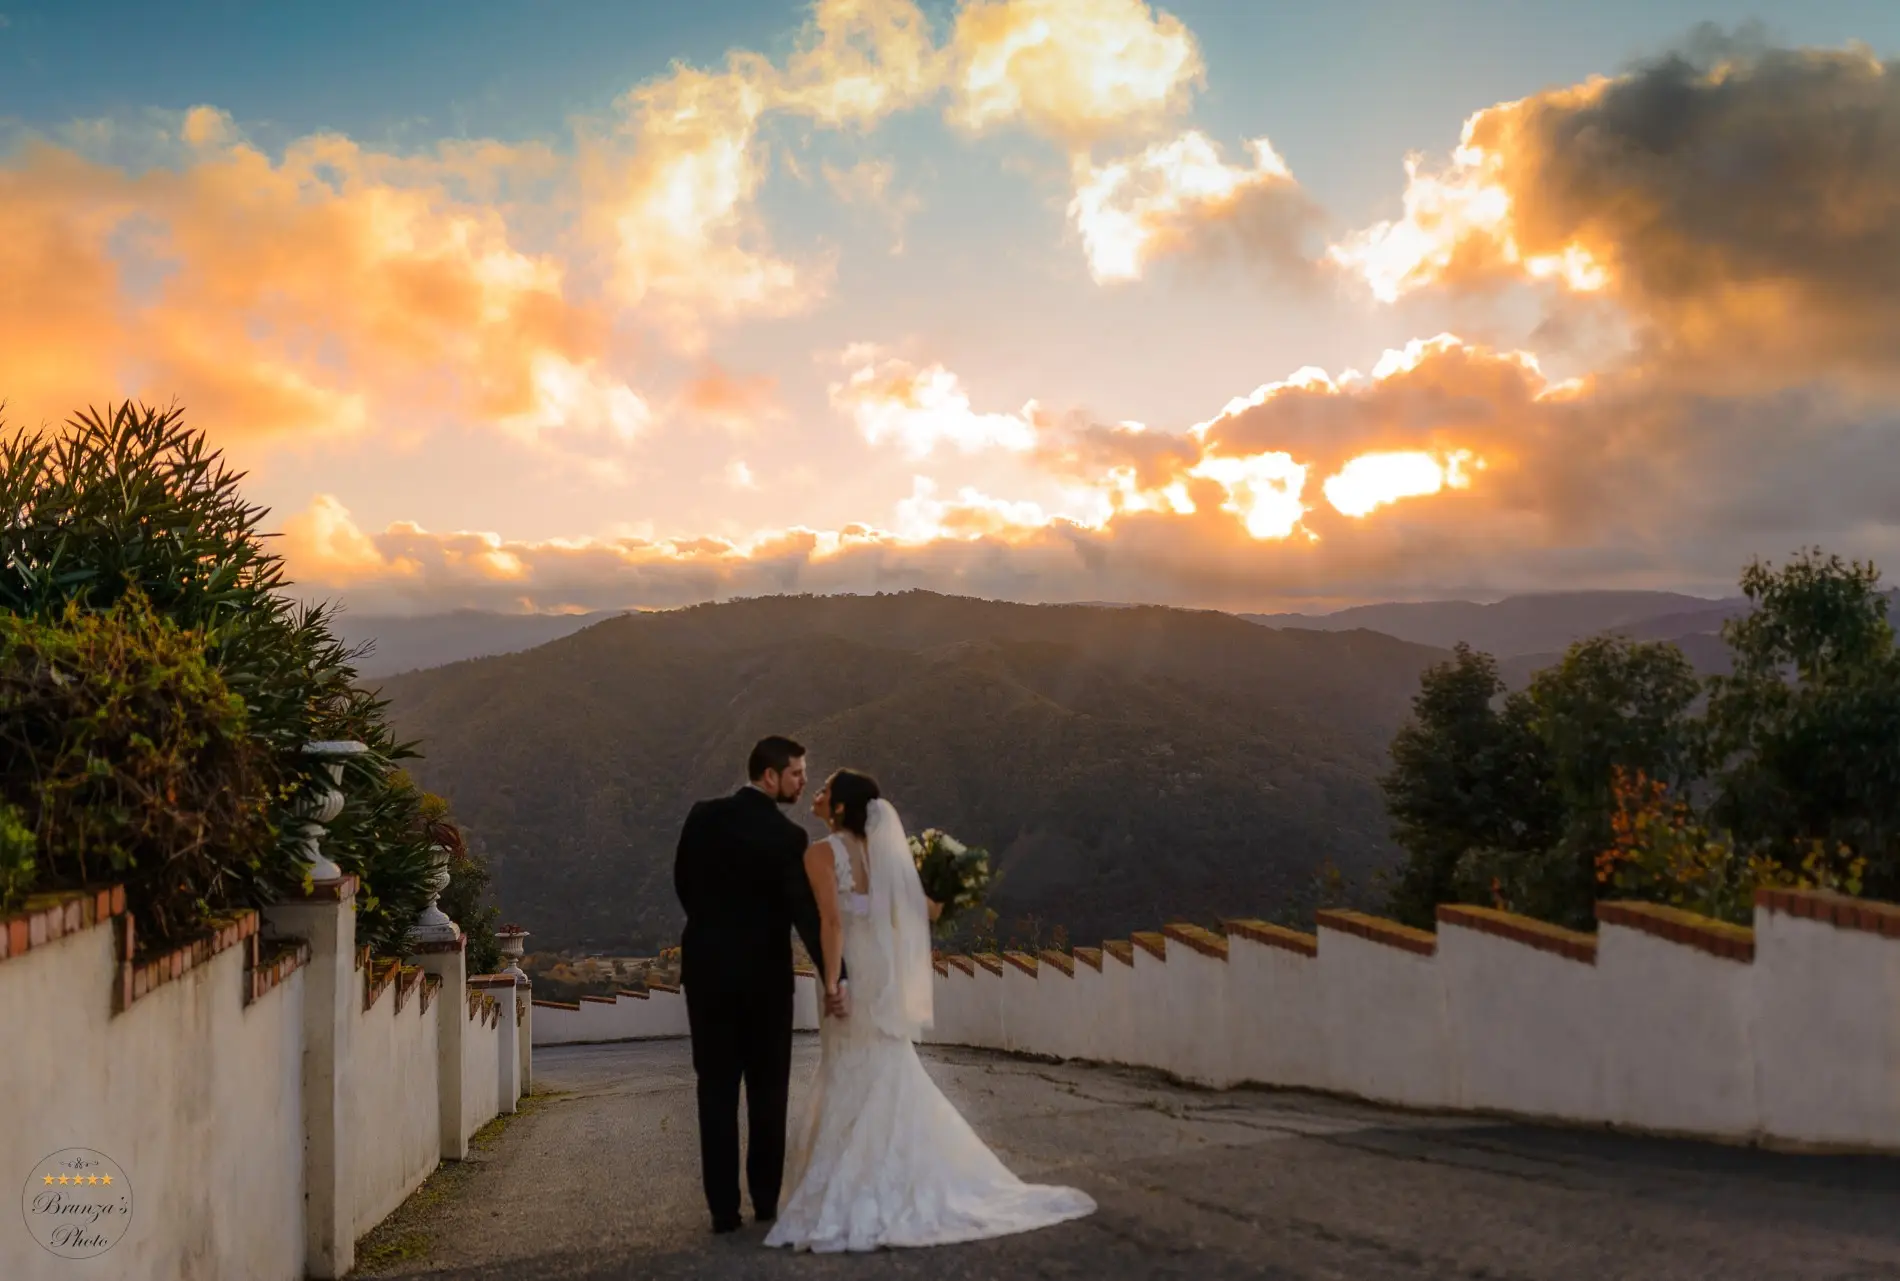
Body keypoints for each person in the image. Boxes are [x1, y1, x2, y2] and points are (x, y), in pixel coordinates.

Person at [765, 769, 1097, 1252]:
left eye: (825, 790)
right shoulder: (884, 856)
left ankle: (858, 1181)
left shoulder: (820, 854)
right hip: (881, 972)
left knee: (849, 1064)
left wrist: (835, 981)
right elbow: (930, 912)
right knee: (886, 1062)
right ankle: (905, 1173)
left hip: (853, 967)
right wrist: (949, 883)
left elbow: (831, 923)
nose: (816, 794)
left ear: (838, 808)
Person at [673, 735, 841, 1234]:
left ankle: (723, 1210)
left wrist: (712, 932)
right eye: (796, 773)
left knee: (715, 1089)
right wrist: (838, 976)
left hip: (707, 976)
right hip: (766, 981)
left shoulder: (702, 817)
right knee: (769, 1091)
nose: (803, 782)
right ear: (770, 776)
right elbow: (805, 916)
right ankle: (766, 1201)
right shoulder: (788, 839)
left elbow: (684, 884)